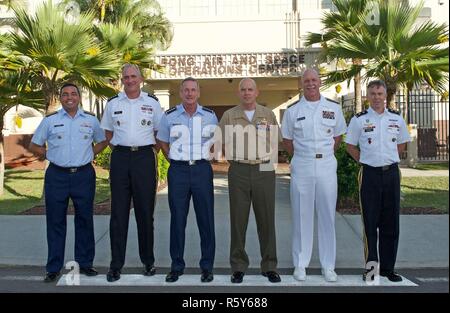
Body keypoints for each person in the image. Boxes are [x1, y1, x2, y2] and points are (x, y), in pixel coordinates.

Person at [29, 83, 108, 282]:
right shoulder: (50, 121)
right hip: (57, 176)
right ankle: (54, 267)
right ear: (60, 98)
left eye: (73, 94)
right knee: (55, 222)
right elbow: (34, 144)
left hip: (83, 175)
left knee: (84, 220)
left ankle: (85, 264)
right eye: (65, 94)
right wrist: (50, 155)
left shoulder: (90, 120)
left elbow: (102, 140)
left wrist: (90, 154)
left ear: (79, 97)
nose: (69, 97)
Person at [281, 68, 346, 282]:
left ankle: (329, 266)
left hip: (326, 163)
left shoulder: (333, 108)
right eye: (306, 81)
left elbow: (337, 138)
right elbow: (288, 142)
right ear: (301, 84)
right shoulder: (292, 111)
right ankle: (300, 264)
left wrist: (323, 154)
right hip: (302, 164)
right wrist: (303, 156)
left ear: (320, 82)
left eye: (314, 80)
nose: (310, 84)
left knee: (327, 215)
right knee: (302, 215)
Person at [100, 64, 163, 282]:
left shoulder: (152, 103)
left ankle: (148, 262)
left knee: (145, 213)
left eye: (133, 76)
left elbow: (159, 131)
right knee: (118, 214)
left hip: (145, 158)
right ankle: (115, 265)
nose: (129, 80)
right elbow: (107, 131)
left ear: (141, 79)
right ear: (122, 80)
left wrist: (147, 150)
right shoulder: (113, 103)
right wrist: (120, 149)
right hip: (120, 158)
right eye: (126, 77)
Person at [345, 80, 410, 282]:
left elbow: (401, 145)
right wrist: (365, 161)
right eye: (372, 93)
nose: (376, 97)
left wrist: (387, 161)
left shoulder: (396, 119)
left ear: (385, 95)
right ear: (367, 96)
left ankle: (388, 269)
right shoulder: (359, 120)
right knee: (370, 224)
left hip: (391, 174)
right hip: (370, 175)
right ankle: (371, 269)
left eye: (379, 93)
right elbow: (350, 146)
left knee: (391, 224)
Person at [218, 78, 282, 284]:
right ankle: (238, 267)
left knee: (266, 220)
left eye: (250, 89)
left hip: (263, 169)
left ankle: (269, 266)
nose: (246, 93)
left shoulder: (268, 115)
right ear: (238, 93)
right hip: (238, 170)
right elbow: (219, 143)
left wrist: (267, 166)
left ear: (257, 92)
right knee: (238, 221)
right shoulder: (229, 116)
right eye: (243, 89)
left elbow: (274, 144)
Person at [157, 77, 217, 283]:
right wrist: (174, 159)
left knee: (206, 220)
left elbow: (215, 143)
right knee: (178, 220)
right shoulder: (169, 116)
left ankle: (207, 266)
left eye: (193, 90)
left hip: (201, 170)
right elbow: (163, 142)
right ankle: (176, 266)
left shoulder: (210, 116)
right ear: (181, 93)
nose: (190, 93)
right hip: (179, 171)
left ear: (199, 93)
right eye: (186, 90)